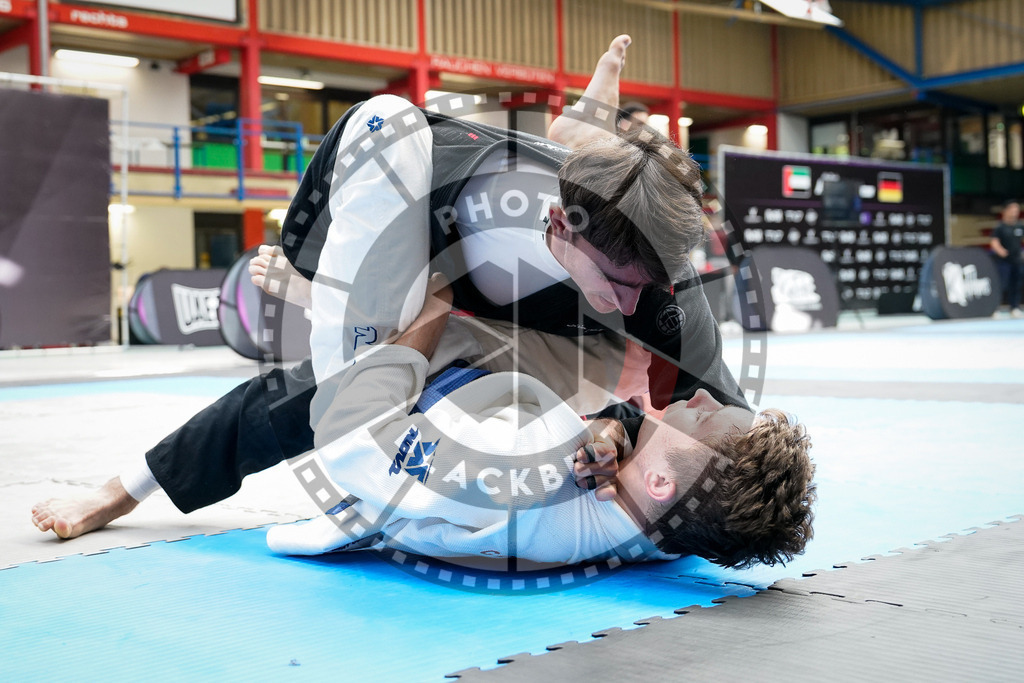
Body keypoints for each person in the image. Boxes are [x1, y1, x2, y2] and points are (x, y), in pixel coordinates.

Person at [31, 34, 747, 538]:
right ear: (562, 227)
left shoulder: (660, 289)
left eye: (644, 289)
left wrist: (630, 432)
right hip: (436, 256)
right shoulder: (433, 178)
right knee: (330, 383)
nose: (635, 305)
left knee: (581, 176)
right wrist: (317, 283)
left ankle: (589, 124)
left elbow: (729, 421)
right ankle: (122, 488)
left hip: (543, 299)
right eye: (622, 285)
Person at [34, 278, 816, 570]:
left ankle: (123, 487)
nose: (710, 401)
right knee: (627, 296)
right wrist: (612, 425)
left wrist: (423, 328)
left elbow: (346, 424)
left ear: (652, 478)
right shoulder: (667, 524)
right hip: (508, 390)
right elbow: (661, 476)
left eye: (710, 421)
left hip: (419, 410)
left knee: (301, 391)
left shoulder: (512, 482)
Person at [990, 200, 1024, 317]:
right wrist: (1000, 250)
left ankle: (1014, 307)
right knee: (1001, 284)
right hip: (1004, 262)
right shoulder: (1000, 227)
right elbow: (994, 241)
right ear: (1006, 211)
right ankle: (995, 308)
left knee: (1016, 284)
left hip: (1017, 260)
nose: (1014, 213)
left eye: (1016, 210)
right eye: (1012, 210)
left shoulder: (1020, 226)